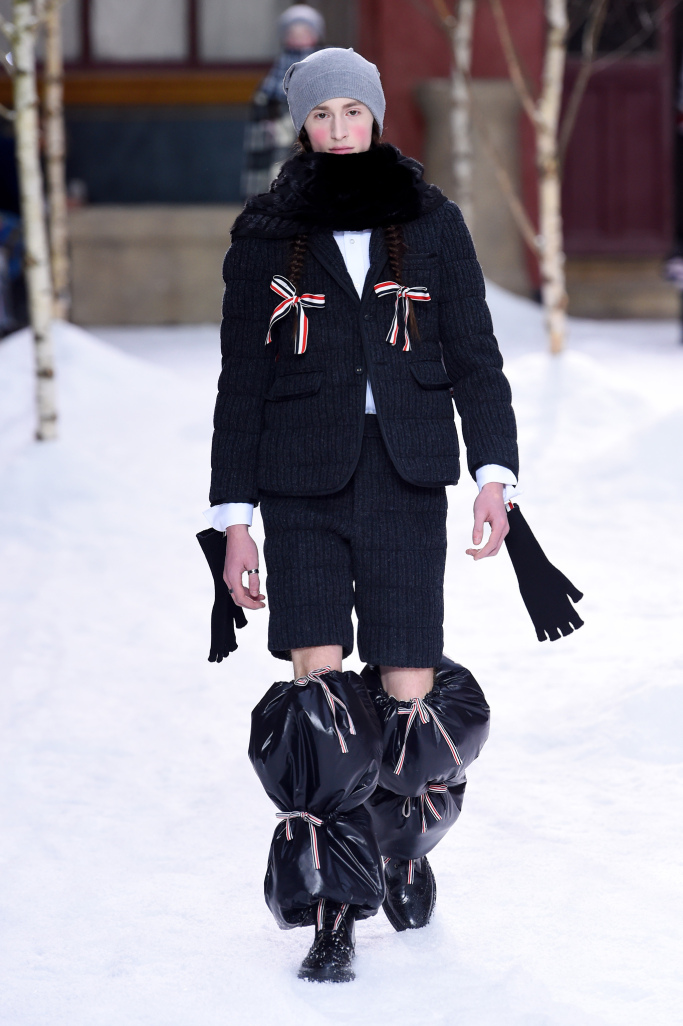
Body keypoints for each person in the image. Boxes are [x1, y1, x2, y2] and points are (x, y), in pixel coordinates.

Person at [205, 48, 518, 983]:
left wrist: (494, 475)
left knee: (407, 684)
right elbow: (241, 381)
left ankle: (401, 848)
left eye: (352, 111)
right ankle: (333, 913)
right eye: (321, 114)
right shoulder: (267, 233)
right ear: (300, 125)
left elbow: (474, 354)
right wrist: (233, 519)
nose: (338, 129)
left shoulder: (429, 222)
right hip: (299, 479)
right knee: (320, 699)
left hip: (406, 473)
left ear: (376, 117)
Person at [241, 5, 325, 199]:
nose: (298, 38)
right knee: (276, 167)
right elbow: (268, 92)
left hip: (309, 121)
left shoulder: (319, 63)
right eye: (293, 33)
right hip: (279, 120)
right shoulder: (281, 64)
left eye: (304, 32)